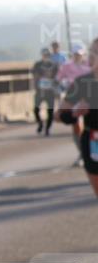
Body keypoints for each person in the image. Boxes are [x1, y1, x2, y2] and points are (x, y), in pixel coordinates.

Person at [57, 37, 98, 198]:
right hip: (93, 141)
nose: (94, 56)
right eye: (93, 52)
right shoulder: (82, 82)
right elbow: (60, 115)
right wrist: (75, 112)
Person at [57, 44, 92, 166]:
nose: (78, 56)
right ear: (72, 55)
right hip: (74, 97)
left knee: (91, 125)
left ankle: (88, 152)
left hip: (89, 97)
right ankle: (82, 153)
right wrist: (63, 84)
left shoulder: (89, 64)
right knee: (76, 126)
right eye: (76, 54)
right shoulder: (67, 66)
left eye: (80, 54)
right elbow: (59, 79)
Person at [32, 48, 59, 135]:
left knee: (50, 111)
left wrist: (55, 85)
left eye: (47, 55)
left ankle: (47, 129)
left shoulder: (54, 65)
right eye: (44, 55)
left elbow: (58, 77)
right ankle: (40, 124)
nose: (45, 56)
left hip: (50, 92)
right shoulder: (37, 65)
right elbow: (34, 76)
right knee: (36, 109)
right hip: (40, 91)